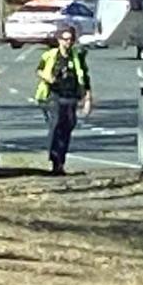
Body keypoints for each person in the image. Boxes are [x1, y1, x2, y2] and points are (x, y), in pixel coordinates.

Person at [35, 27, 92, 175]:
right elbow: (39, 70)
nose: (68, 42)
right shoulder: (50, 55)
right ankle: (55, 161)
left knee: (68, 127)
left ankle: (61, 160)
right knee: (56, 126)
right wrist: (47, 77)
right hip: (54, 96)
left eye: (71, 39)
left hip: (71, 96)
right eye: (65, 39)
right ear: (59, 40)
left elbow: (85, 78)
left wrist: (87, 99)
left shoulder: (77, 56)